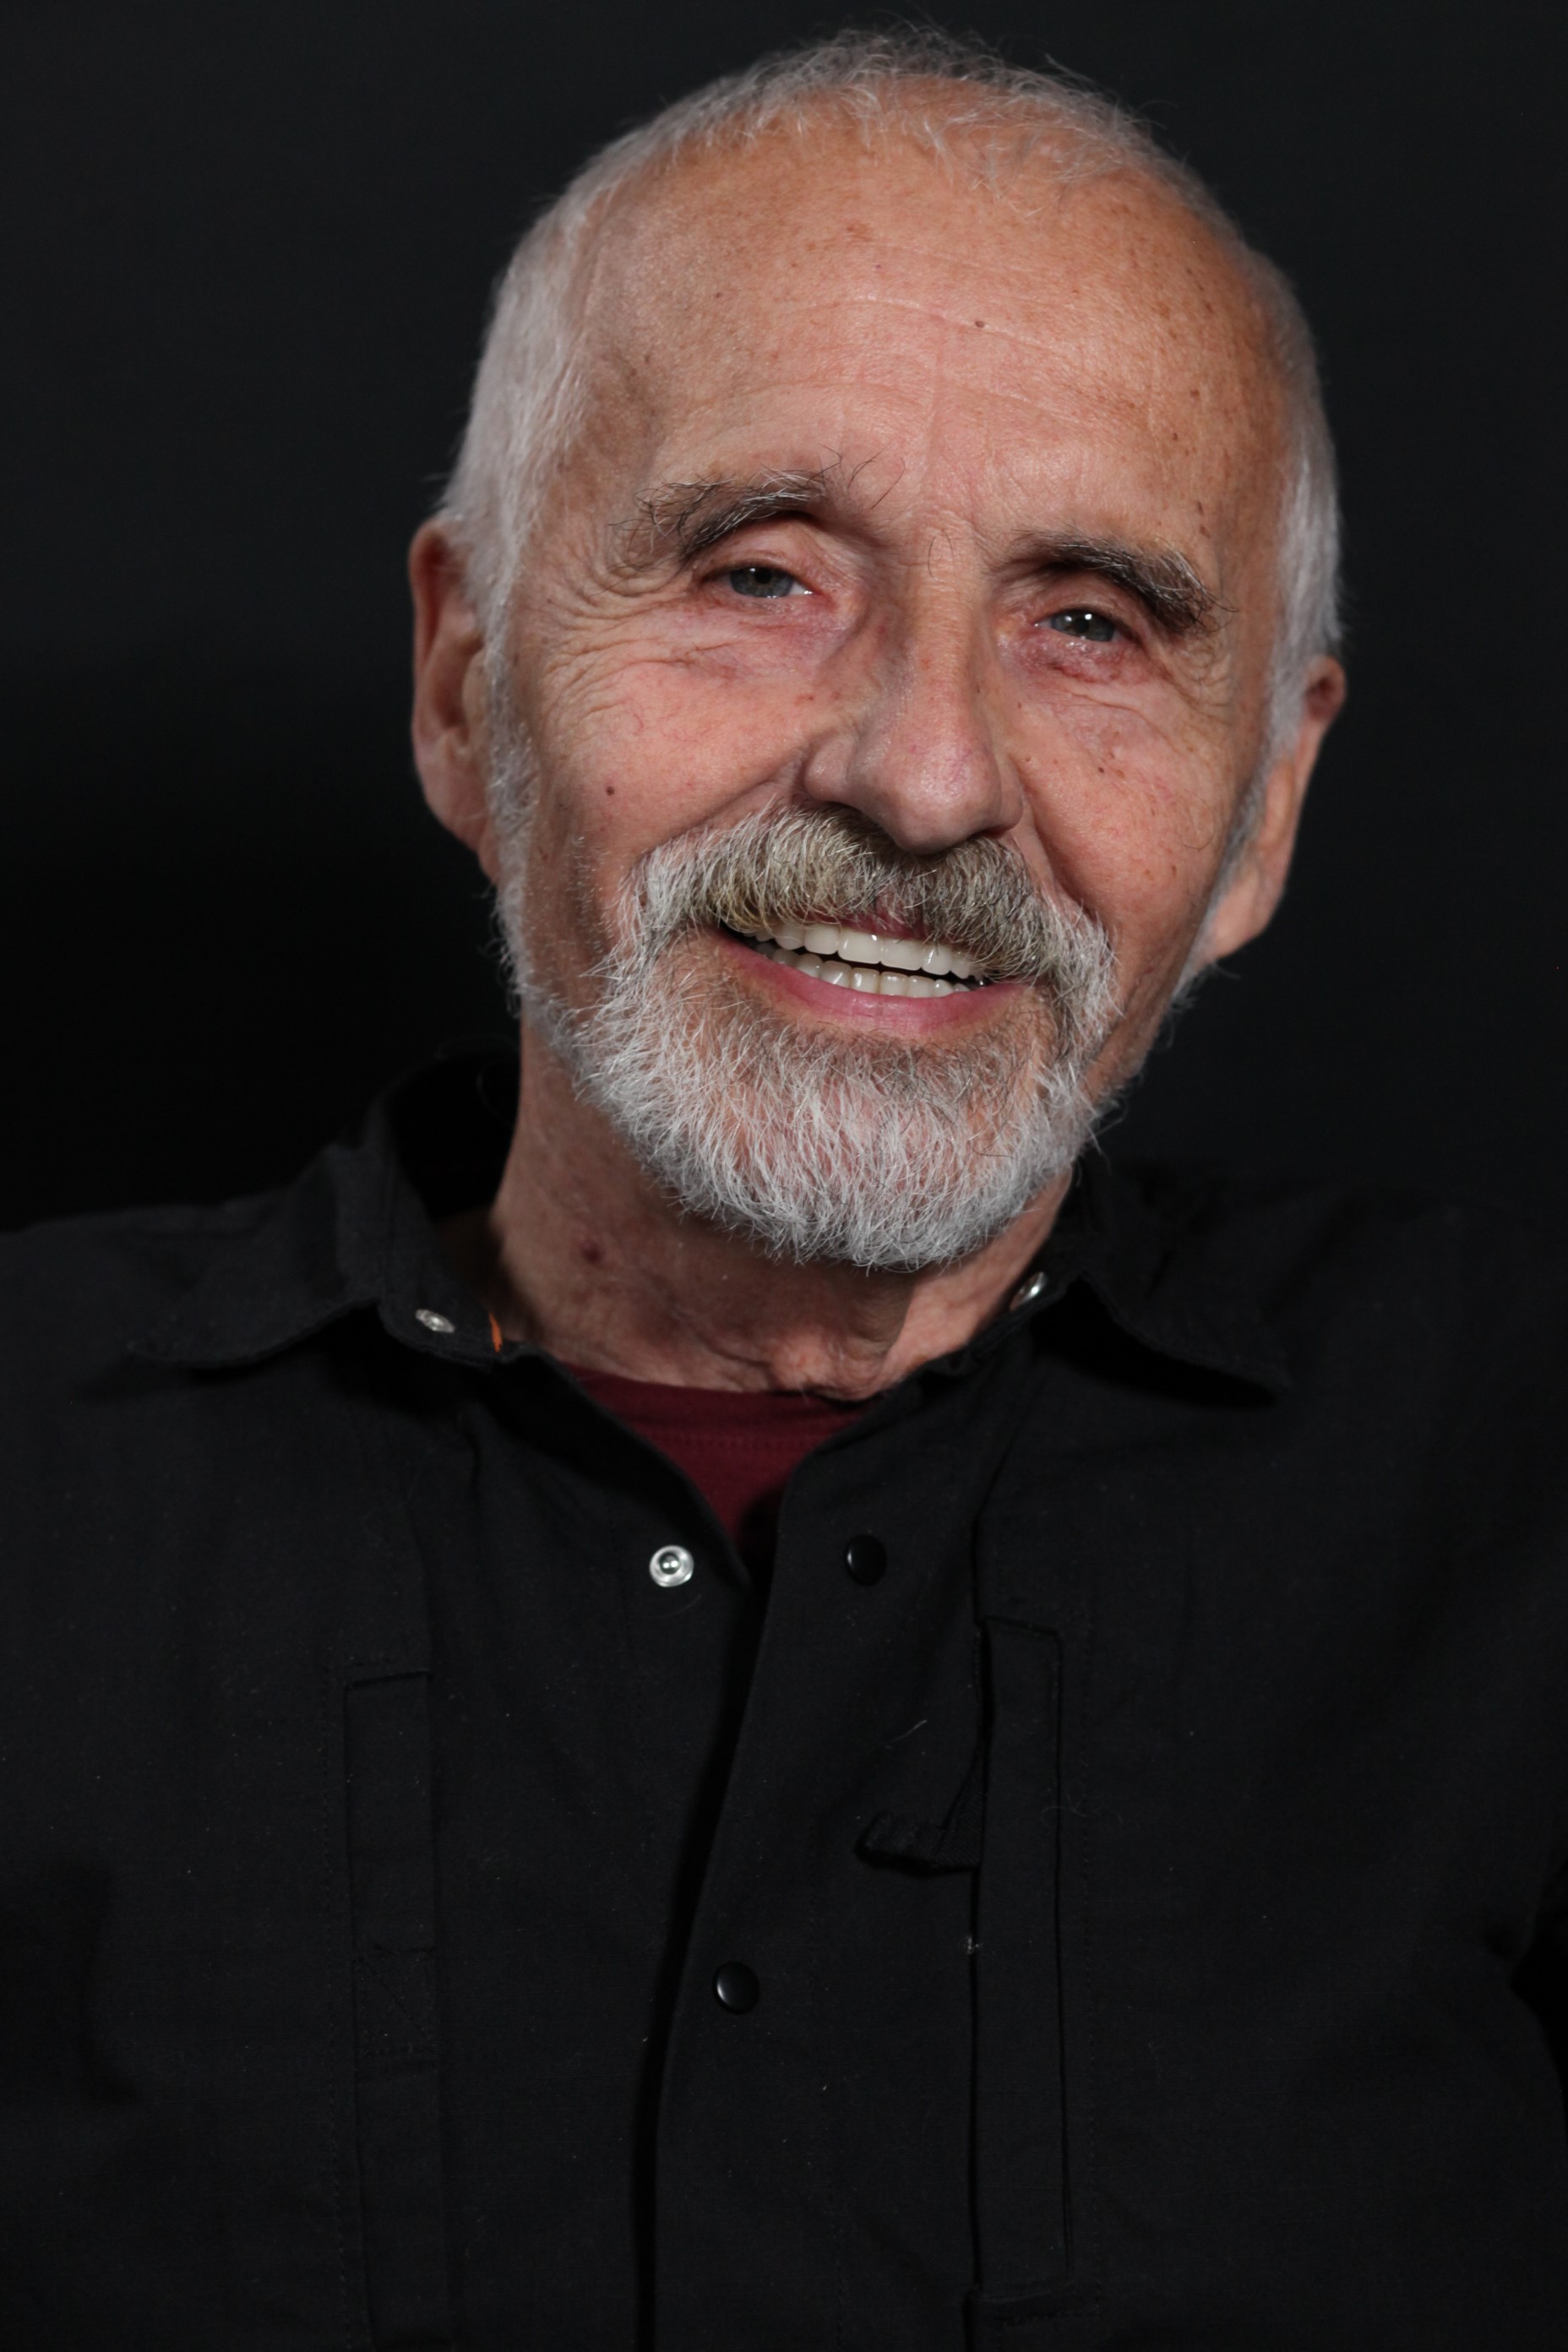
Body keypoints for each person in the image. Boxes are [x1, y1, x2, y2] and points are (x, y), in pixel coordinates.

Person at [2, 29, 1565, 2349]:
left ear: (1264, 809)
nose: (925, 778)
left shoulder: (1509, 1492)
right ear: (464, 682)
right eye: (761, 572)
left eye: (1092, 622)